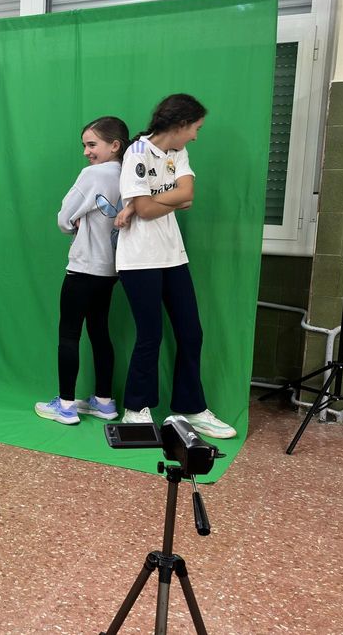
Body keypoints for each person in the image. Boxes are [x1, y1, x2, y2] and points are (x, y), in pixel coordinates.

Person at [112, 93, 236, 439]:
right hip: (139, 260)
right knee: (150, 335)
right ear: (180, 125)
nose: (196, 135)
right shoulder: (136, 154)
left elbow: (188, 193)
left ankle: (191, 407)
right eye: (195, 128)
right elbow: (154, 208)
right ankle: (136, 408)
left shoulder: (178, 152)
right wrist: (147, 205)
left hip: (173, 256)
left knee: (191, 332)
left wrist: (145, 202)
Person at [35, 117, 129, 425]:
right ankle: (104, 402)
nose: (86, 152)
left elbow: (64, 216)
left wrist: (71, 223)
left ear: (115, 145)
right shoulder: (128, 174)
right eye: (85, 145)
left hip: (83, 268)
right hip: (110, 271)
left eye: (92, 144)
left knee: (69, 335)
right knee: (100, 333)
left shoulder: (94, 174)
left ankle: (65, 406)